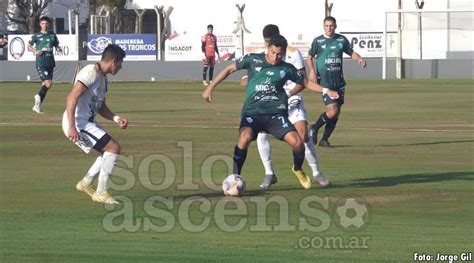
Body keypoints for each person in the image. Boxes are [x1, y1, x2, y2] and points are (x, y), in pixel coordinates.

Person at [203, 34, 337, 190]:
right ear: (268, 49)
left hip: (276, 115)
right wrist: (209, 88)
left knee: (298, 143)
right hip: (253, 112)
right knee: (244, 137)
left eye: (280, 53)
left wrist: (326, 90)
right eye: (273, 52)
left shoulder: (286, 68)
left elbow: (305, 83)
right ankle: (235, 177)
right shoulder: (253, 60)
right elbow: (229, 69)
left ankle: (297, 168)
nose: (276, 57)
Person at [242, 24, 332, 189]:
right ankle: (269, 173)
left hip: (291, 99)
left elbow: (302, 81)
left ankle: (316, 172)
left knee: (303, 135)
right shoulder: (263, 55)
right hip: (268, 102)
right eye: (266, 42)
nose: (268, 46)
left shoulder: (292, 53)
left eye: (270, 41)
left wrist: (288, 95)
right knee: (262, 134)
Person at [62, 44, 127, 204]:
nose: (120, 67)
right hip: (77, 122)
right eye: (120, 63)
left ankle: (85, 184)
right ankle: (101, 193)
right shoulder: (90, 72)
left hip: (86, 122)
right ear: (113, 61)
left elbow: (100, 106)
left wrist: (116, 118)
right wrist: (72, 126)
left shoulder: (103, 79)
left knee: (108, 152)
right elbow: (71, 98)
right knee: (113, 148)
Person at [306, 16, 367, 147]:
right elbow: (309, 57)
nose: (329, 28)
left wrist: (359, 59)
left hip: (339, 82)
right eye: (326, 26)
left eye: (331, 26)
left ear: (335, 26)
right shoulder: (318, 41)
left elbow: (351, 53)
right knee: (333, 110)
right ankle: (314, 127)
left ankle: (324, 140)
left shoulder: (341, 40)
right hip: (325, 82)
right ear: (323, 27)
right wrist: (312, 71)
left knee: (336, 112)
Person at [28, 16, 62, 114]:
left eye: (46, 23)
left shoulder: (52, 35)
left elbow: (56, 45)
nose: (45, 25)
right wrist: (35, 51)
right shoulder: (36, 36)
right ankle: (38, 97)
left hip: (50, 62)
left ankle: (37, 106)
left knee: (46, 85)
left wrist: (58, 48)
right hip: (41, 62)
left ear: (49, 24)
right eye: (43, 23)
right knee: (48, 83)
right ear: (40, 25)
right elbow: (28, 47)